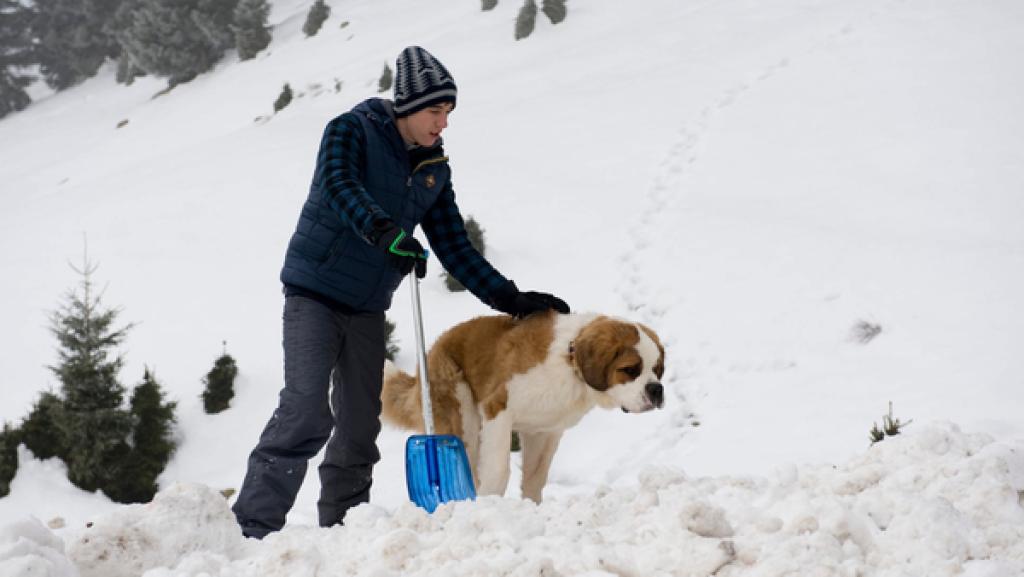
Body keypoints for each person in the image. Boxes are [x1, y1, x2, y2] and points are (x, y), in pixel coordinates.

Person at [231, 46, 570, 539]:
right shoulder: (350, 130)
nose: (443, 123)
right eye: (436, 110)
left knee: (359, 426)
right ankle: (251, 529)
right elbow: (340, 184)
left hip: (366, 308)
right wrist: (384, 232)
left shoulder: (433, 169)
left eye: (449, 112)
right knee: (305, 410)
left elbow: (455, 245)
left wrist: (511, 299)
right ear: (408, 106)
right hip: (314, 294)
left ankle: (343, 532)